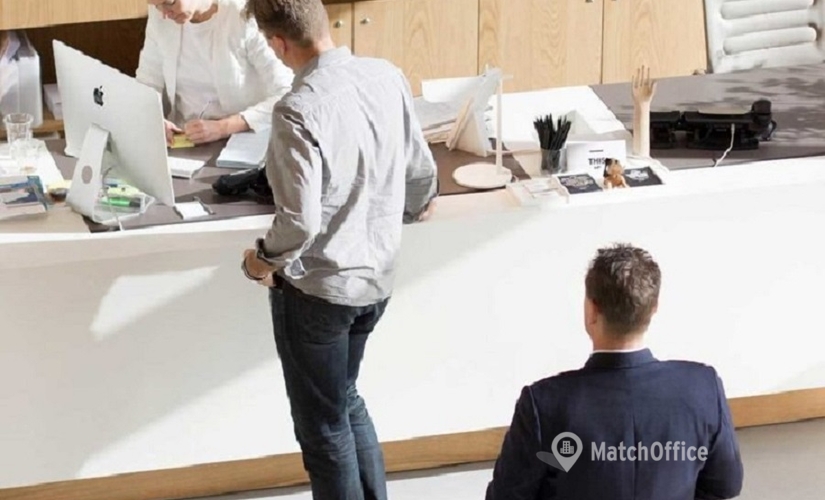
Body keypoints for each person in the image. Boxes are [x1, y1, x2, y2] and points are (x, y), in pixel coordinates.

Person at [239, 0, 438, 499]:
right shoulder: (386, 75)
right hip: (377, 281)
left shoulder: (297, 108)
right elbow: (420, 174)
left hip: (319, 295)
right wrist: (409, 211)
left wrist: (260, 260)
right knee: (345, 401)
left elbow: (299, 222)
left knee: (323, 429)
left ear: (278, 43)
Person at [486, 243, 744, 500]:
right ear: (653, 308)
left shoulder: (543, 404)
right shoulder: (702, 387)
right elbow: (725, 486)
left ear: (592, 311)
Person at [139, 0, 293, 145]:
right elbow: (147, 84)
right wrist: (155, 119)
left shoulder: (244, 15)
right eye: (155, 5)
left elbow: (287, 93)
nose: (165, 14)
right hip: (185, 143)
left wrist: (223, 128)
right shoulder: (160, 17)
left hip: (243, 142)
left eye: (168, 3)